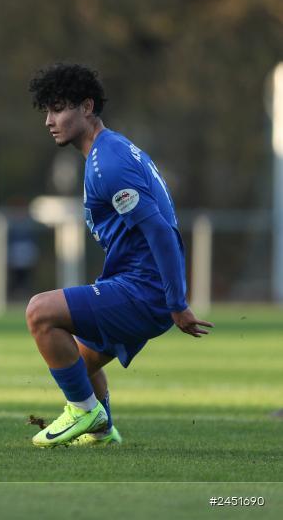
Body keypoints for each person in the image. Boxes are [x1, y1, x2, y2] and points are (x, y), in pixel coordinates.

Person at [25, 63, 213, 447]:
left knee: (39, 312)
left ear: (87, 107)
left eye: (58, 108)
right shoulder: (112, 150)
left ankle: (83, 411)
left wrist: (176, 302)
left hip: (144, 291)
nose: (49, 120)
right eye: (46, 110)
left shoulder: (108, 164)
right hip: (136, 284)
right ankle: (102, 428)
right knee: (82, 360)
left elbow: (160, 230)